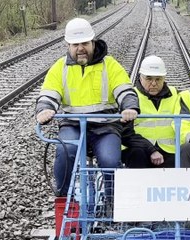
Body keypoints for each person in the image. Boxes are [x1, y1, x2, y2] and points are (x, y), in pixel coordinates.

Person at [35, 18, 139, 201]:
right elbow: (48, 94)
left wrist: (129, 107)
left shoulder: (110, 65)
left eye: (84, 43)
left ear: (92, 42)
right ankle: (65, 201)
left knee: (110, 160)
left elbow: (125, 90)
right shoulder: (60, 68)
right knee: (65, 150)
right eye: (75, 44)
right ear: (68, 45)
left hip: (106, 127)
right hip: (73, 125)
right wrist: (45, 109)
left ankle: (114, 205)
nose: (80, 48)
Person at [122, 55, 179, 168]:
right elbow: (125, 133)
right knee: (136, 154)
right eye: (149, 78)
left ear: (164, 78)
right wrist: (151, 150)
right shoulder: (130, 97)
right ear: (141, 77)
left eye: (158, 79)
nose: (153, 83)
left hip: (169, 150)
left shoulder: (175, 94)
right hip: (139, 148)